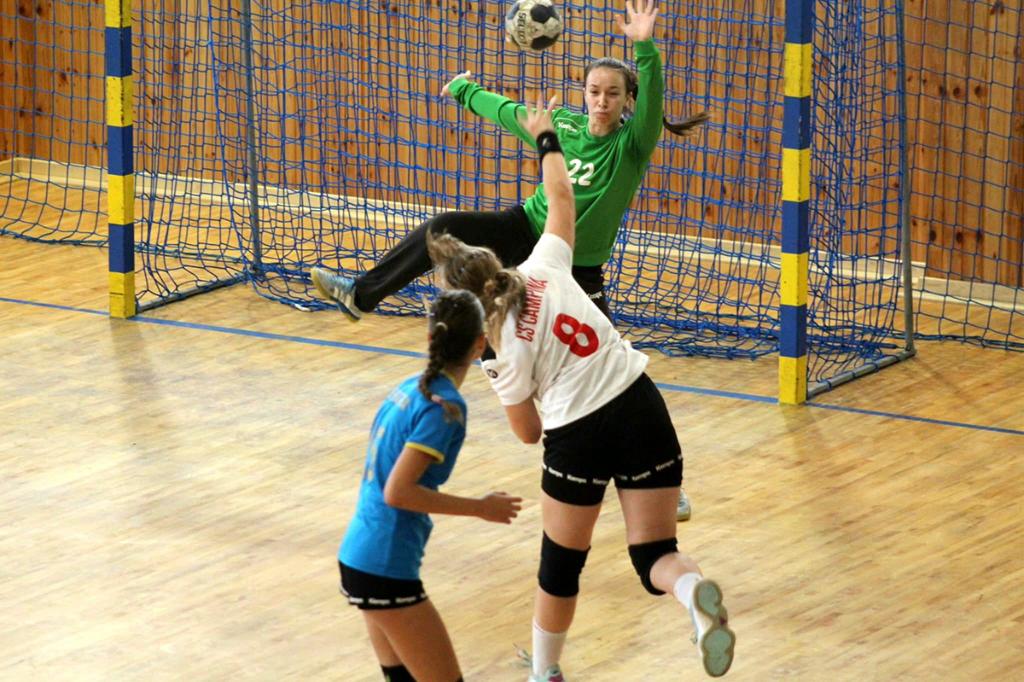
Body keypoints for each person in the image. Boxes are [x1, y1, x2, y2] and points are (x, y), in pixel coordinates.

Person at [313, 0, 698, 522]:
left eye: (613, 94)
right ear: (584, 95)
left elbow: (652, 105)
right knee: (441, 229)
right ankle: (361, 296)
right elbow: (515, 116)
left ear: (628, 100)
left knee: (617, 366)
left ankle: (659, 478)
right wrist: (467, 92)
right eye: (594, 92)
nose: (601, 101)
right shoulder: (563, 124)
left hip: (570, 266)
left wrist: (644, 47)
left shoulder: (632, 144)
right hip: (524, 230)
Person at [426, 88, 736, 680]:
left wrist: (521, 380)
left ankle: (545, 673)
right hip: (640, 400)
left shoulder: (497, 347)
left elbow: (527, 432)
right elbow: (562, 194)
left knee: (561, 565)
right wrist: (545, 137)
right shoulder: (544, 262)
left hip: (579, 432)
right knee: (655, 554)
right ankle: (692, 593)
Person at [337, 289, 523, 682]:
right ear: (480, 343)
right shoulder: (445, 408)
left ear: (430, 337)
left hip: (360, 556)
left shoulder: (407, 389)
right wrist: (481, 507)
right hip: (386, 564)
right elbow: (399, 492)